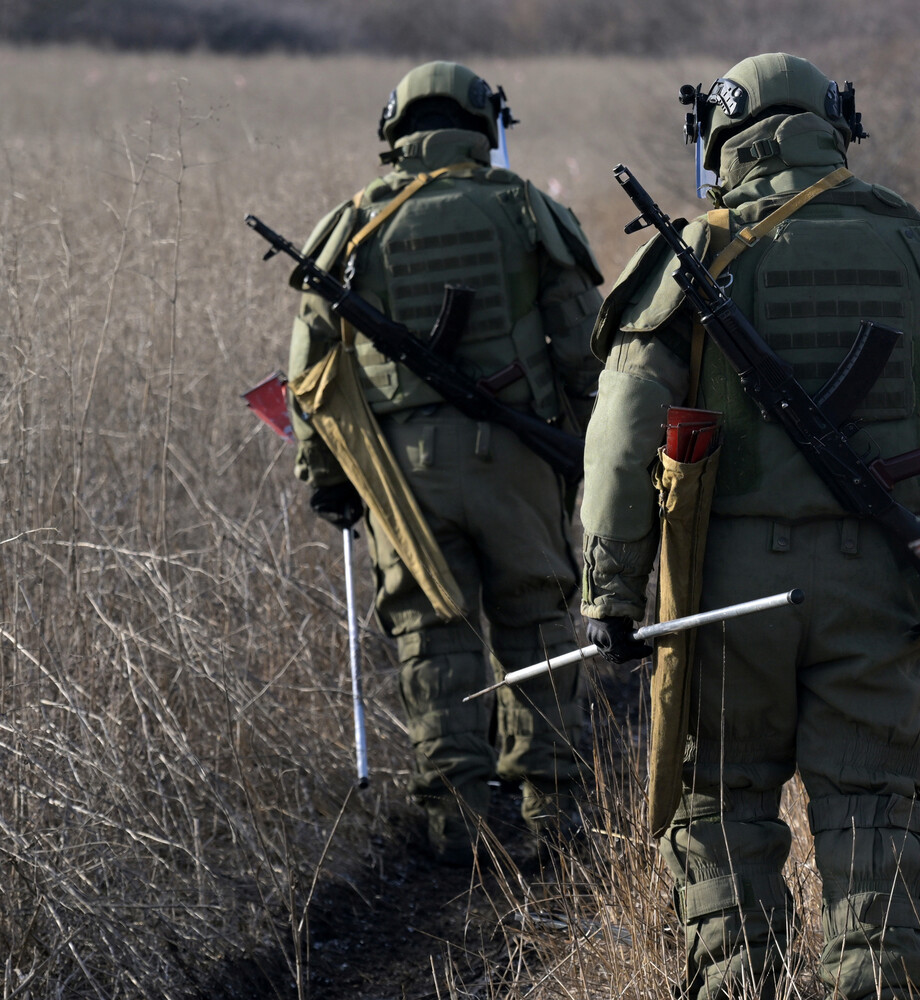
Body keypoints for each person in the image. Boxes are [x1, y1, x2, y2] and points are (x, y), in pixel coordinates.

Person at [582, 52, 920, 1000]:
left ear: (720, 141)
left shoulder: (694, 249)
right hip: (879, 575)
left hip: (721, 588)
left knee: (722, 802)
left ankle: (742, 985)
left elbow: (621, 435)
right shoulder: (918, 245)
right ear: (835, 128)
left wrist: (611, 590)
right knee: (872, 805)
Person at [286, 61, 605, 863]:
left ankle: (455, 819)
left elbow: (313, 375)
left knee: (432, 633)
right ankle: (551, 813)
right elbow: (583, 349)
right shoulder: (528, 209)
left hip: (400, 474)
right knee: (537, 624)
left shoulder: (352, 226)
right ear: (485, 126)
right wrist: (588, 452)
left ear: (393, 129)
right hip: (518, 461)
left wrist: (329, 479)